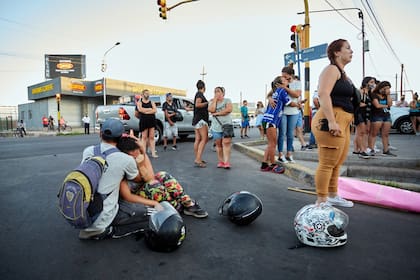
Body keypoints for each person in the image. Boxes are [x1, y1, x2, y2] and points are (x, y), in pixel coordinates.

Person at [78, 118, 158, 240]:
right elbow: (143, 179)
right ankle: (107, 230)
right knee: (151, 211)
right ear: (121, 137)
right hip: (102, 218)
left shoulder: (88, 151)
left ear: (100, 134)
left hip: (84, 211)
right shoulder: (125, 159)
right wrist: (141, 150)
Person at [311, 39, 356, 207]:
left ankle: (332, 195)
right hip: (331, 119)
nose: (352, 51)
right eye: (348, 48)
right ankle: (321, 200)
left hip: (343, 120)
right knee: (327, 162)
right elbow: (323, 94)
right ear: (337, 52)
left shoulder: (343, 74)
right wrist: (331, 121)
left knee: (337, 162)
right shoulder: (331, 69)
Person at [117, 136, 208, 218]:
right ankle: (176, 206)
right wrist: (154, 203)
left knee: (163, 175)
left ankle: (188, 203)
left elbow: (151, 177)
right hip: (136, 198)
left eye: (137, 151)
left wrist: (142, 157)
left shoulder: (140, 155)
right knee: (155, 187)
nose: (136, 156)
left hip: (146, 188)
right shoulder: (121, 167)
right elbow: (128, 196)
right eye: (132, 154)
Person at [260, 76, 292, 174]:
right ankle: (273, 165)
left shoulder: (275, 92)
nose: (286, 81)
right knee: (273, 144)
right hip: (271, 121)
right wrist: (299, 104)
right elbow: (289, 103)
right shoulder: (282, 91)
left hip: (267, 120)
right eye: (284, 80)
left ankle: (264, 164)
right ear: (279, 84)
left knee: (270, 144)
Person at [276, 69, 302, 164]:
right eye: (282, 75)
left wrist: (285, 87)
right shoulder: (281, 82)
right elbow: (272, 94)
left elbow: (296, 95)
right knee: (282, 133)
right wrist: (270, 98)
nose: (283, 77)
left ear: (290, 75)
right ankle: (280, 154)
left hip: (294, 112)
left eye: (285, 75)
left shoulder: (297, 83)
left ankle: (289, 154)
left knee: (290, 134)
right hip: (283, 112)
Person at [367, 81, 396, 156]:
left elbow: (390, 104)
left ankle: (386, 150)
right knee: (373, 133)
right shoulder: (374, 94)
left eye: (388, 88)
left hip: (386, 115)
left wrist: (388, 95)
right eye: (385, 88)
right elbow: (377, 105)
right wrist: (387, 106)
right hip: (377, 115)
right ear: (380, 87)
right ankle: (371, 149)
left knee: (385, 134)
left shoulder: (386, 95)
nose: (386, 90)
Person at [208, 86, 233, 169]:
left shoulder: (227, 100)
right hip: (216, 126)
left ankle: (226, 162)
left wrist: (217, 113)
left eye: (218, 91)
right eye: (215, 91)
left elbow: (229, 109)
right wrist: (215, 100)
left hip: (227, 125)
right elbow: (211, 110)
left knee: (226, 143)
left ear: (223, 93)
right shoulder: (211, 101)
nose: (217, 93)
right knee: (218, 144)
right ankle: (221, 161)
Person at [353, 76, 375, 159]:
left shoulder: (369, 93)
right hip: (360, 114)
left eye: (374, 82)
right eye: (371, 82)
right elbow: (354, 101)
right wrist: (359, 104)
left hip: (367, 115)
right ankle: (362, 151)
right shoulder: (360, 91)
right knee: (360, 132)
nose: (373, 84)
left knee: (364, 132)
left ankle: (362, 149)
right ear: (366, 83)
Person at [192, 80, 209, 168]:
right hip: (201, 120)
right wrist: (207, 103)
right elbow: (197, 105)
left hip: (196, 120)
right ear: (204, 87)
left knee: (198, 139)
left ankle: (198, 157)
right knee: (204, 139)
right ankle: (198, 159)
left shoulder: (197, 94)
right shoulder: (199, 95)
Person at [137, 89, 158, 158]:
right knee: (144, 137)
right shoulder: (139, 102)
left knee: (152, 137)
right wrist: (149, 109)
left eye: (148, 93)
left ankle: (153, 153)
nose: (147, 95)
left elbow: (155, 110)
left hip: (151, 120)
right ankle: (143, 153)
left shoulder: (152, 102)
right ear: (142, 94)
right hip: (144, 121)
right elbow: (140, 110)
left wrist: (146, 111)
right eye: (146, 93)